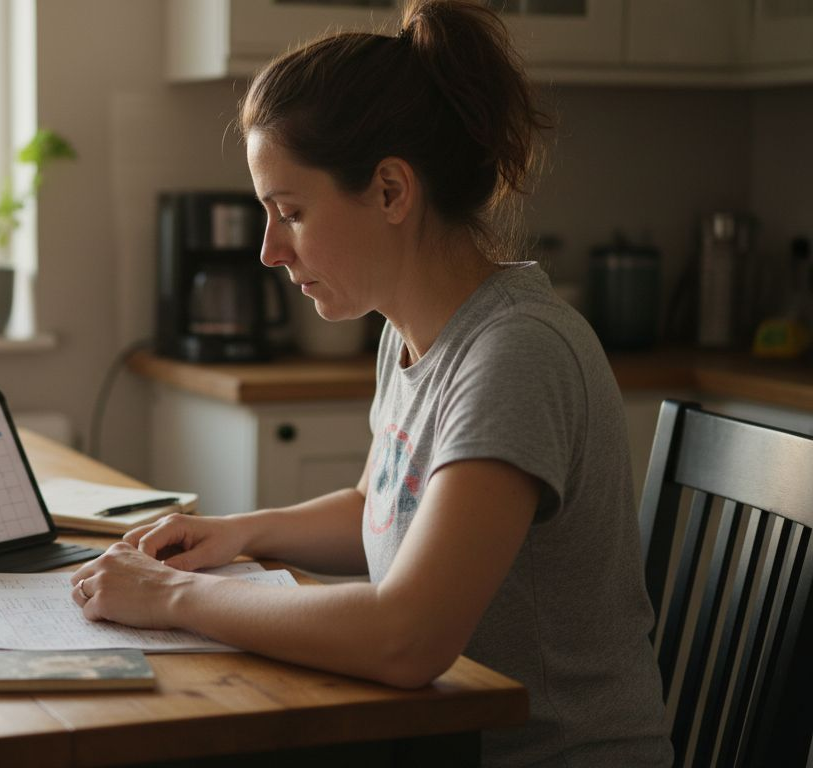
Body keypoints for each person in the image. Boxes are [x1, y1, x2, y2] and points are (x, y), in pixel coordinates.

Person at [69, 1, 672, 765]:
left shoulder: (517, 353)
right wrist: (238, 533)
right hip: (435, 740)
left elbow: (406, 637)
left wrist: (171, 598)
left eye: (289, 211)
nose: (268, 251)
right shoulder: (408, 333)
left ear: (391, 191)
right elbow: (379, 505)